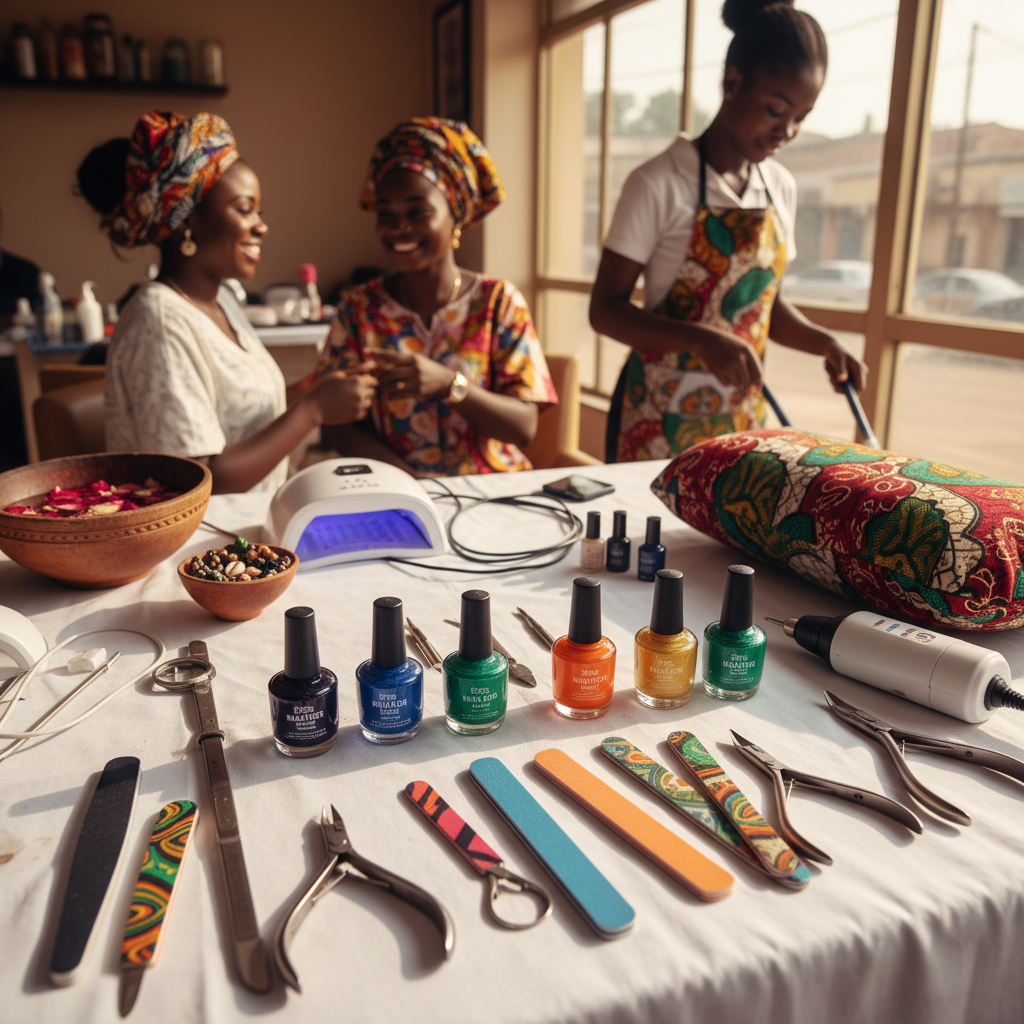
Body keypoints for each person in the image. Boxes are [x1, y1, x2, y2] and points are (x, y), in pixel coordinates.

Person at [590, 0, 867, 463]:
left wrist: (825, 343)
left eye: (801, 116)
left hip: (740, 421)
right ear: (732, 81)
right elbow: (605, 311)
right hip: (657, 417)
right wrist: (701, 339)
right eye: (776, 110)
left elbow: (763, 303)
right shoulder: (658, 182)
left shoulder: (780, 186)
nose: (787, 131)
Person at [77, 111, 376, 493]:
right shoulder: (160, 323)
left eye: (260, 212)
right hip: (200, 541)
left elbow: (231, 420)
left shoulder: (222, 304)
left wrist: (310, 389)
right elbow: (198, 481)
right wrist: (313, 409)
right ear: (187, 221)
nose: (262, 226)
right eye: (244, 209)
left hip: (244, 530)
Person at [314, 117, 557, 477]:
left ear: (455, 214)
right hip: (395, 491)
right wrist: (411, 483)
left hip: (493, 493)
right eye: (386, 214)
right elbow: (336, 424)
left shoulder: (498, 303)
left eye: (417, 212)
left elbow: (524, 427)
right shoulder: (358, 310)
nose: (398, 228)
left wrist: (450, 384)